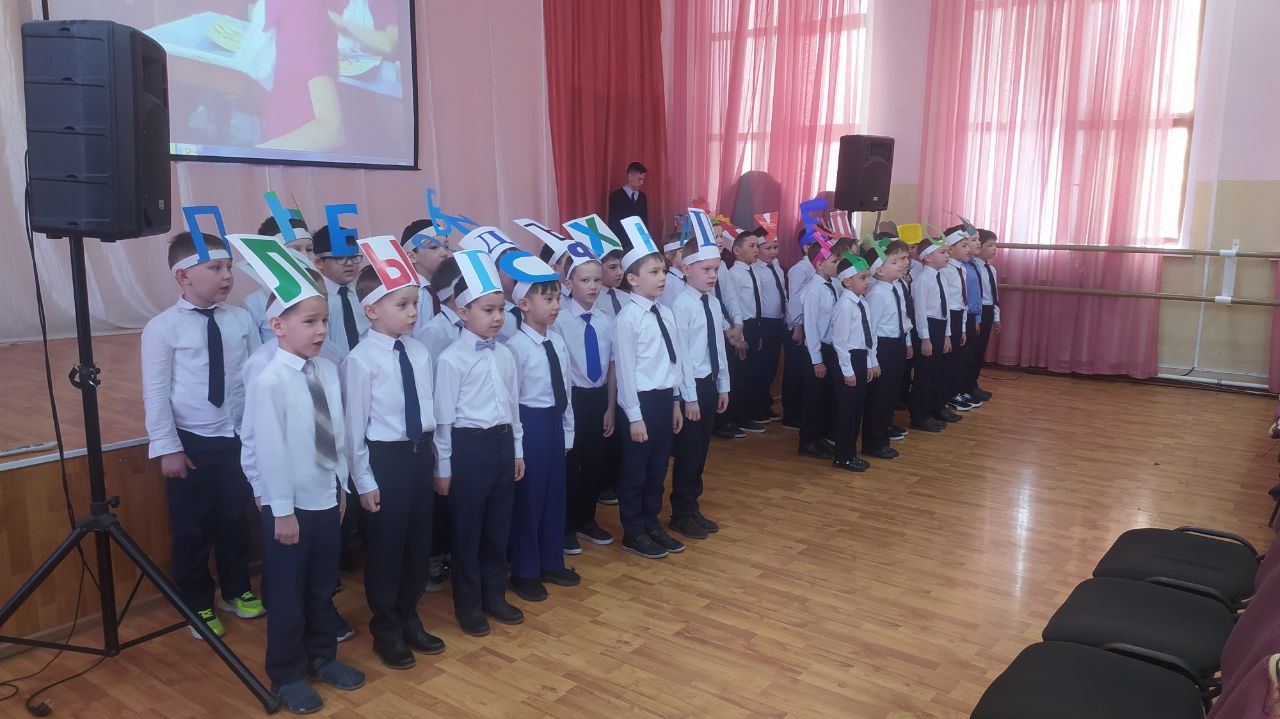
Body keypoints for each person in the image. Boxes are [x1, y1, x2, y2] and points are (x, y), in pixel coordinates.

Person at [234, 237, 364, 714]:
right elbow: (268, 451)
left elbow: (338, 434)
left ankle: (322, 657)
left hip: (326, 496)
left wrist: (342, 486)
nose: (320, 330)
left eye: (323, 320)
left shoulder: (325, 370)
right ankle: (287, 673)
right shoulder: (270, 379)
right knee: (288, 594)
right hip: (289, 507)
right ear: (277, 325)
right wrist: (282, 511)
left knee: (321, 586)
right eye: (309, 322)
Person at [142, 231, 263, 641]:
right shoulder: (162, 328)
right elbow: (156, 391)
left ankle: (236, 589)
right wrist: (168, 447)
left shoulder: (240, 319)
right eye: (215, 267)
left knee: (234, 519)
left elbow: (253, 376)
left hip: (236, 437)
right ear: (183, 276)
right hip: (191, 441)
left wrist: (255, 431)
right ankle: (197, 603)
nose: (227, 275)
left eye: (228, 266)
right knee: (191, 529)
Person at [343, 262, 444, 670]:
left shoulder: (418, 352)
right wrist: (364, 481)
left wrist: (437, 461)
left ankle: (409, 618)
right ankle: (386, 630)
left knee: (418, 546)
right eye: (402, 305)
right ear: (371, 310)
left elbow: (429, 410)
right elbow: (354, 429)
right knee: (387, 550)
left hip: (420, 455)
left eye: (415, 303)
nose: (413, 312)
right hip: (384, 461)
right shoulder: (360, 360)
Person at [433, 250, 526, 637]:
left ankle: (494, 595)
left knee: (498, 526)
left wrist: (517, 450)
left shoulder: (504, 353)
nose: (497, 317)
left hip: (502, 444)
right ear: (463, 311)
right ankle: (468, 605)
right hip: (468, 448)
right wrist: (444, 466)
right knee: (468, 531)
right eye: (488, 310)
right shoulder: (451, 360)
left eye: (500, 309)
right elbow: (443, 419)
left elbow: (513, 407)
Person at [503, 273, 581, 602]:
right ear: (524, 304)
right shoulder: (515, 348)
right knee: (530, 498)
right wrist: (517, 446)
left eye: (558, 298)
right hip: (530, 423)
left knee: (554, 494)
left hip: (553, 422)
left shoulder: (557, 341)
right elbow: (512, 400)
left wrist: (568, 429)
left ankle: (551, 560)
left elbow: (566, 389)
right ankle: (524, 570)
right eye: (548, 299)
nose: (556, 305)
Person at [613, 220, 685, 559]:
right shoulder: (627, 319)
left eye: (664, 271)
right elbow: (625, 372)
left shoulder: (665, 313)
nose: (662, 277)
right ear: (632, 279)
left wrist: (675, 401)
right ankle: (633, 530)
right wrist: (634, 416)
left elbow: (672, 362)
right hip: (639, 403)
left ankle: (651, 522)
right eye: (654, 272)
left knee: (658, 467)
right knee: (635, 470)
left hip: (663, 399)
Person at [552, 254, 617, 554]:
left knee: (594, 461)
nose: (593, 286)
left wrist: (610, 407)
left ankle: (586, 519)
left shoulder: (606, 321)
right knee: (570, 464)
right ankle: (565, 525)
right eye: (584, 280)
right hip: (572, 398)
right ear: (568, 284)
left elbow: (612, 367)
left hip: (599, 397)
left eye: (597, 280)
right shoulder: (560, 321)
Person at [668, 229, 729, 539]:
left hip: (709, 383)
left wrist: (724, 384)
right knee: (689, 452)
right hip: (691, 388)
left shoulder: (712, 303)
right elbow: (681, 357)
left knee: (702, 450)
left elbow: (718, 346)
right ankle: (681, 511)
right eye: (706, 269)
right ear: (685, 268)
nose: (712, 275)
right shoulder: (682, 306)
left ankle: (692, 506)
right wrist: (688, 398)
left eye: (715, 269)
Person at [860, 240, 913, 461]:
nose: (902, 264)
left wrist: (907, 341)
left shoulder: (897, 287)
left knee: (891, 394)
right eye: (895, 261)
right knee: (879, 397)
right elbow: (870, 331)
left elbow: (904, 318)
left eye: (904, 259)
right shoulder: (877, 294)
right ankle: (873, 443)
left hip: (897, 344)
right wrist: (872, 359)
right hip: (882, 348)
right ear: (879, 270)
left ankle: (883, 436)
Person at [798, 237, 846, 460]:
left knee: (826, 397)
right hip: (816, 350)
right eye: (834, 262)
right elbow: (811, 327)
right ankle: (808, 441)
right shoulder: (813, 290)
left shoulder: (834, 285)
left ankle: (821, 438)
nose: (838, 266)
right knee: (814, 397)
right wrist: (816, 360)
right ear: (819, 264)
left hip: (831, 347)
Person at [830, 252, 877, 472]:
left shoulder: (862, 303)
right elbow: (840, 342)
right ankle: (843, 456)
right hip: (847, 360)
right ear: (847, 281)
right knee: (848, 411)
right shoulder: (845, 306)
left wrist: (868, 362)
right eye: (862, 278)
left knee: (857, 409)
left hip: (859, 358)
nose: (868, 282)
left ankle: (850, 452)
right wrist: (848, 371)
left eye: (868, 277)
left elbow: (868, 336)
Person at [908, 238, 957, 431]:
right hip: (927, 328)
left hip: (940, 327)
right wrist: (925, 339)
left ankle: (932, 408)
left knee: (936, 372)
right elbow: (920, 312)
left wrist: (947, 335)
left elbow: (946, 310)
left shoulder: (941, 277)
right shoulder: (922, 281)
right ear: (928, 257)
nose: (948, 255)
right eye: (943, 252)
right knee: (924, 374)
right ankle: (918, 416)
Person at [245, 215, 317, 344]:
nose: (305, 257)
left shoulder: (320, 293)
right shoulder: (254, 303)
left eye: (309, 249)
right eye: (295, 250)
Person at [312, 225, 369, 366]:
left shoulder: (365, 292)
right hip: (330, 369)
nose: (349, 263)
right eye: (340, 257)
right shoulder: (315, 297)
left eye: (353, 256)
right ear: (319, 262)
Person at [781, 234, 820, 430]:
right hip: (798, 327)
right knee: (794, 371)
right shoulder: (800, 269)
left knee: (804, 371)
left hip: (810, 325)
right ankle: (790, 414)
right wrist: (797, 326)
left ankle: (801, 411)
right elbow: (795, 299)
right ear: (807, 248)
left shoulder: (813, 269)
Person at [752, 229, 786, 424]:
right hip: (764, 322)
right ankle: (756, 407)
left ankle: (765, 403)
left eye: (775, 247)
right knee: (761, 367)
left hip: (778, 321)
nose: (773, 251)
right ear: (757, 249)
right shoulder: (755, 270)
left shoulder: (777, 268)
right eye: (768, 248)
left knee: (772, 366)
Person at [939, 227, 973, 413]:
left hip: (959, 316)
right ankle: (945, 396)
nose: (969, 249)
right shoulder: (946, 270)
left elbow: (962, 300)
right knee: (948, 360)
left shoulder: (961, 268)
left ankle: (954, 391)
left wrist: (963, 326)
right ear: (950, 249)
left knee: (957, 358)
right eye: (964, 246)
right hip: (949, 317)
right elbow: (945, 301)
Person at [400, 219, 452, 332]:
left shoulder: (450, 288)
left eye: (446, 246)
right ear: (411, 256)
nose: (444, 253)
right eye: (433, 247)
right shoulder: (412, 294)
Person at [969, 229, 1001, 402]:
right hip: (976, 312)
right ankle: (966, 386)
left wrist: (996, 316)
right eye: (990, 245)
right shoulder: (972, 268)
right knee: (972, 351)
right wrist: (976, 317)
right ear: (979, 246)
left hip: (988, 311)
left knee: (980, 350)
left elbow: (994, 295)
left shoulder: (992, 269)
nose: (994, 249)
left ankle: (973, 384)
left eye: (995, 245)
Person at [606, 161, 650, 237]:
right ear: (630, 177)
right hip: (622, 240)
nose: (642, 183)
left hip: (638, 240)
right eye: (639, 179)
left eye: (643, 179)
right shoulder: (616, 196)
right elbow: (613, 223)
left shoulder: (642, 197)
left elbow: (644, 222)